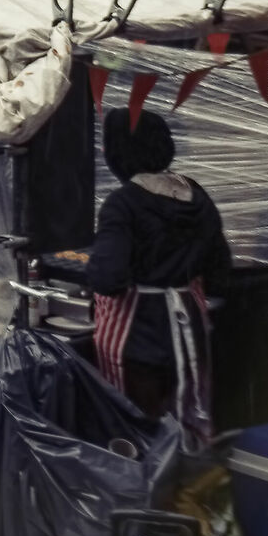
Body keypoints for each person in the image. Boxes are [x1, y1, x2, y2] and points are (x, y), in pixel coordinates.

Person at [87, 110, 233, 447]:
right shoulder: (196, 194)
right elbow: (220, 269)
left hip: (137, 338)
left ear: (118, 153)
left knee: (138, 434)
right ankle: (185, 493)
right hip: (191, 333)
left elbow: (108, 277)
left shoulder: (122, 204)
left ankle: (141, 495)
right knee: (188, 428)